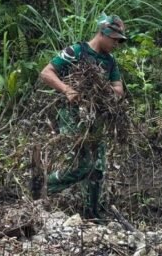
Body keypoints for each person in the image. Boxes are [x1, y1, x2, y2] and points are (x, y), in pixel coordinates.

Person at [38, 14, 127, 219]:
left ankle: (91, 215)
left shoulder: (110, 61)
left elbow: (118, 89)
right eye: (114, 40)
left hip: (96, 117)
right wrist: (67, 89)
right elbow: (47, 72)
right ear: (103, 33)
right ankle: (42, 187)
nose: (116, 44)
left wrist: (101, 91)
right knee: (81, 165)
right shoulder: (76, 51)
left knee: (97, 168)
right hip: (72, 114)